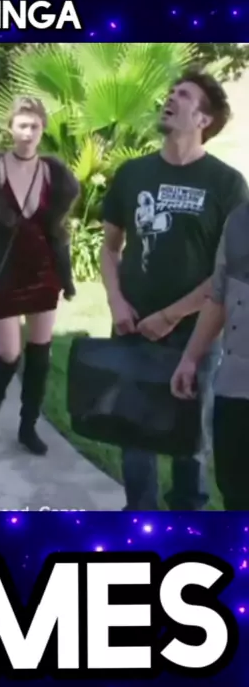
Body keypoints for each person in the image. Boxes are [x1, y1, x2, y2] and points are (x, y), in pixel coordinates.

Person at [100, 71, 249, 511]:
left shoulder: (227, 184)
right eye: (171, 92)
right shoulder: (133, 173)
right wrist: (116, 301)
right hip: (131, 328)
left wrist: (171, 315)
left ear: (203, 119)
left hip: (195, 334)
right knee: (133, 435)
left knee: (190, 442)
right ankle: (139, 519)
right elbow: (110, 248)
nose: (170, 97)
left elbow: (229, 272)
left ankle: (189, 522)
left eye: (183, 95)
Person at [0, 97, 80, 455]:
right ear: (10, 128)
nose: (28, 133)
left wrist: (65, 273)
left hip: (43, 270)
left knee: (40, 353)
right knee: (8, 353)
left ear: (42, 129)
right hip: (4, 272)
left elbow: (56, 231)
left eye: (34, 126)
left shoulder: (53, 174)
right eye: (22, 126)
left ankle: (28, 427)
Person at [171, 201, 249, 510]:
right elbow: (218, 297)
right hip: (235, 390)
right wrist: (190, 358)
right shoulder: (239, 221)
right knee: (236, 493)